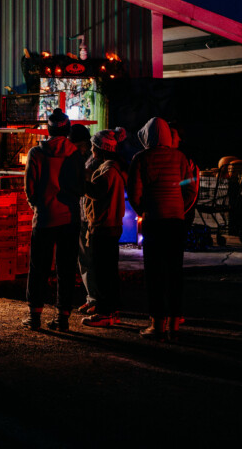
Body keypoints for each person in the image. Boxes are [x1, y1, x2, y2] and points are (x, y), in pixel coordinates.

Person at [126, 116, 198, 341]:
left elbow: (134, 193)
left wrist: (144, 211)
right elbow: (189, 188)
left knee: (154, 273)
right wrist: (179, 209)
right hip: (176, 222)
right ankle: (174, 325)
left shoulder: (140, 158)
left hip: (154, 221)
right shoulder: (180, 157)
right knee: (175, 272)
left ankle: (157, 325)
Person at [22, 109, 85, 331]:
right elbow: (80, 187)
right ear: (67, 130)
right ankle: (62, 318)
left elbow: (30, 188)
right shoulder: (75, 154)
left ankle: (34, 316)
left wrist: (37, 207)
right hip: (70, 218)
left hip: (45, 218)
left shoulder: (36, 153)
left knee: (38, 268)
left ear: (48, 130)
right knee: (66, 269)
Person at [81, 130, 128, 328]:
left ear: (101, 148)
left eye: (94, 146)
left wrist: (80, 182)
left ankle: (104, 313)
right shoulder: (113, 167)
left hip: (103, 226)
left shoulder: (108, 170)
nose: (91, 150)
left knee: (102, 272)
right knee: (108, 271)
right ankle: (112, 311)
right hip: (110, 225)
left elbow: (97, 191)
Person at [67, 124, 95, 315]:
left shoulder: (91, 161)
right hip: (83, 215)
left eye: (77, 146)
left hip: (89, 217)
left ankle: (95, 298)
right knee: (84, 258)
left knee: (88, 258)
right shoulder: (83, 158)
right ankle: (91, 297)